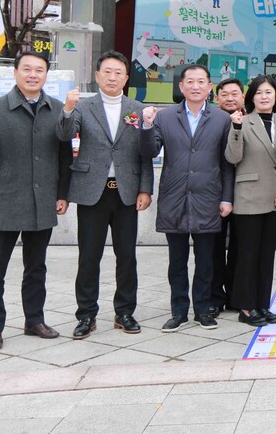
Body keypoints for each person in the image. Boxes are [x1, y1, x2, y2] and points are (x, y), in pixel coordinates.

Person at [0, 52, 71, 350]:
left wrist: (62, 194)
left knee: (36, 267)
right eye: (26, 69)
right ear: (15, 73)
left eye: (39, 70)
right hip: (6, 200)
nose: (33, 75)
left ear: (46, 75)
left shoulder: (57, 109)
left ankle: (34, 320)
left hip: (43, 201)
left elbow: (64, 157)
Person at [59, 52, 154, 339]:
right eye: (107, 72)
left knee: (127, 256)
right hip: (92, 192)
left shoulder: (137, 109)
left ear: (126, 78)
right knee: (89, 256)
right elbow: (65, 136)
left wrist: (145, 188)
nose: (112, 77)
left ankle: (124, 312)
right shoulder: (82, 107)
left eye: (118, 73)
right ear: (97, 75)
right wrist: (67, 110)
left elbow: (145, 154)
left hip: (126, 193)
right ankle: (86, 314)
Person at [141, 64, 235, 332]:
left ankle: (203, 310)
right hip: (175, 198)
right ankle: (179, 311)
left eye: (201, 81)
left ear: (209, 87)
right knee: (177, 262)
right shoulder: (165, 117)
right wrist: (146, 126)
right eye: (190, 82)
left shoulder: (221, 119)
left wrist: (227, 198)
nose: (195, 86)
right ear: (181, 87)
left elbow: (227, 163)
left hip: (208, 198)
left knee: (206, 262)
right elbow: (149, 152)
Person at [225, 76, 276, 326]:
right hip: (249, 196)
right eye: (259, 92)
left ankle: (263, 304)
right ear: (251, 97)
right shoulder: (242, 121)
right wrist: (236, 129)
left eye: (269, 92)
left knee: (266, 255)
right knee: (247, 254)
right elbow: (233, 157)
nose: (264, 97)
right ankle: (246, 307)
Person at [212, 77, 244, 311]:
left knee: (240, 249)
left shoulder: (252, 120)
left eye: (235, 94)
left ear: (243, 96)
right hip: (214, 195)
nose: (230, 98)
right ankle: (214, 298)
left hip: (245, 195)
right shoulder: (210, 121)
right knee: (213, 249)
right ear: (216, 98)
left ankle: (236, 296)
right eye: (224, 94)